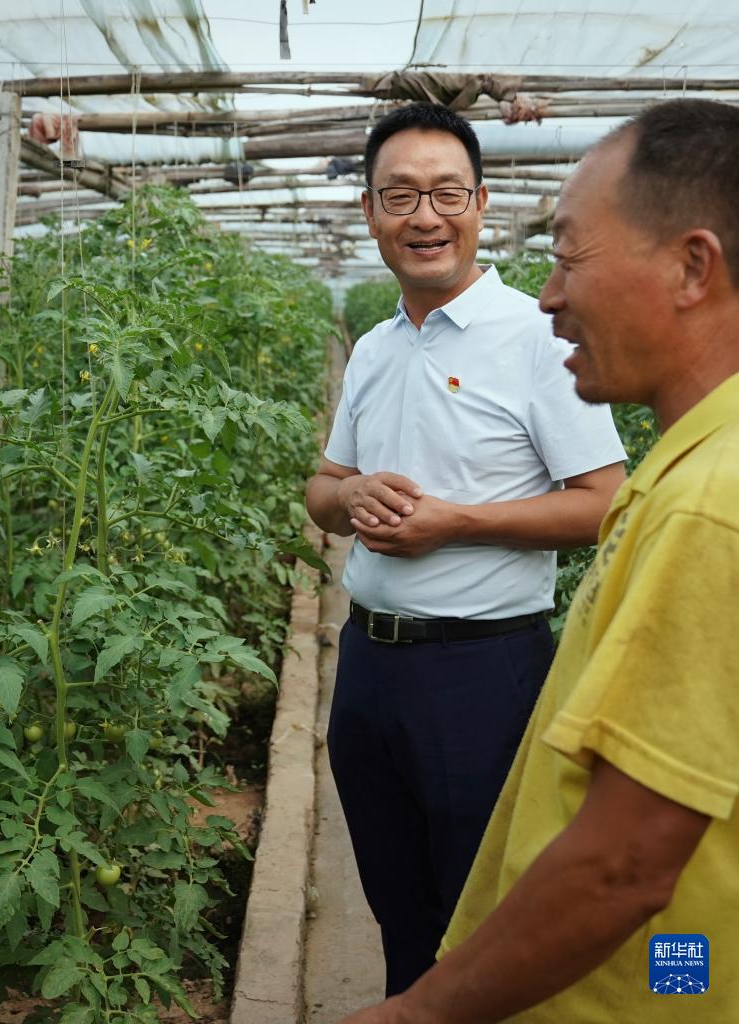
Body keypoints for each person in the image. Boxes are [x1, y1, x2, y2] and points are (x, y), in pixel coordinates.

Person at [336, 96, 739, 1023]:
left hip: (667, 982)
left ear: (692, 267)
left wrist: (425, 1012)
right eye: (398, 196)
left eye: (568, 259)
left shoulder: (709, 507)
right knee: (421, 905)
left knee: (684, 957)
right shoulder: (686, 470)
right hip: (669, 951)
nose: (550, 296)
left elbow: (630, 864)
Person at [305, 103, 626, 996]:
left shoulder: (539, 338)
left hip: (484, 673)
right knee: (398, 909)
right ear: (370, 211)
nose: (424, 216)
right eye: (399, 195)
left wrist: (459, 522)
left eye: (447, 192)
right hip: (368, 668)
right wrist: (351, 495)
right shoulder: (373, 347)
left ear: (481, 202)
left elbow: (605, 504)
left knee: (485, 920)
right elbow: (321, 492)